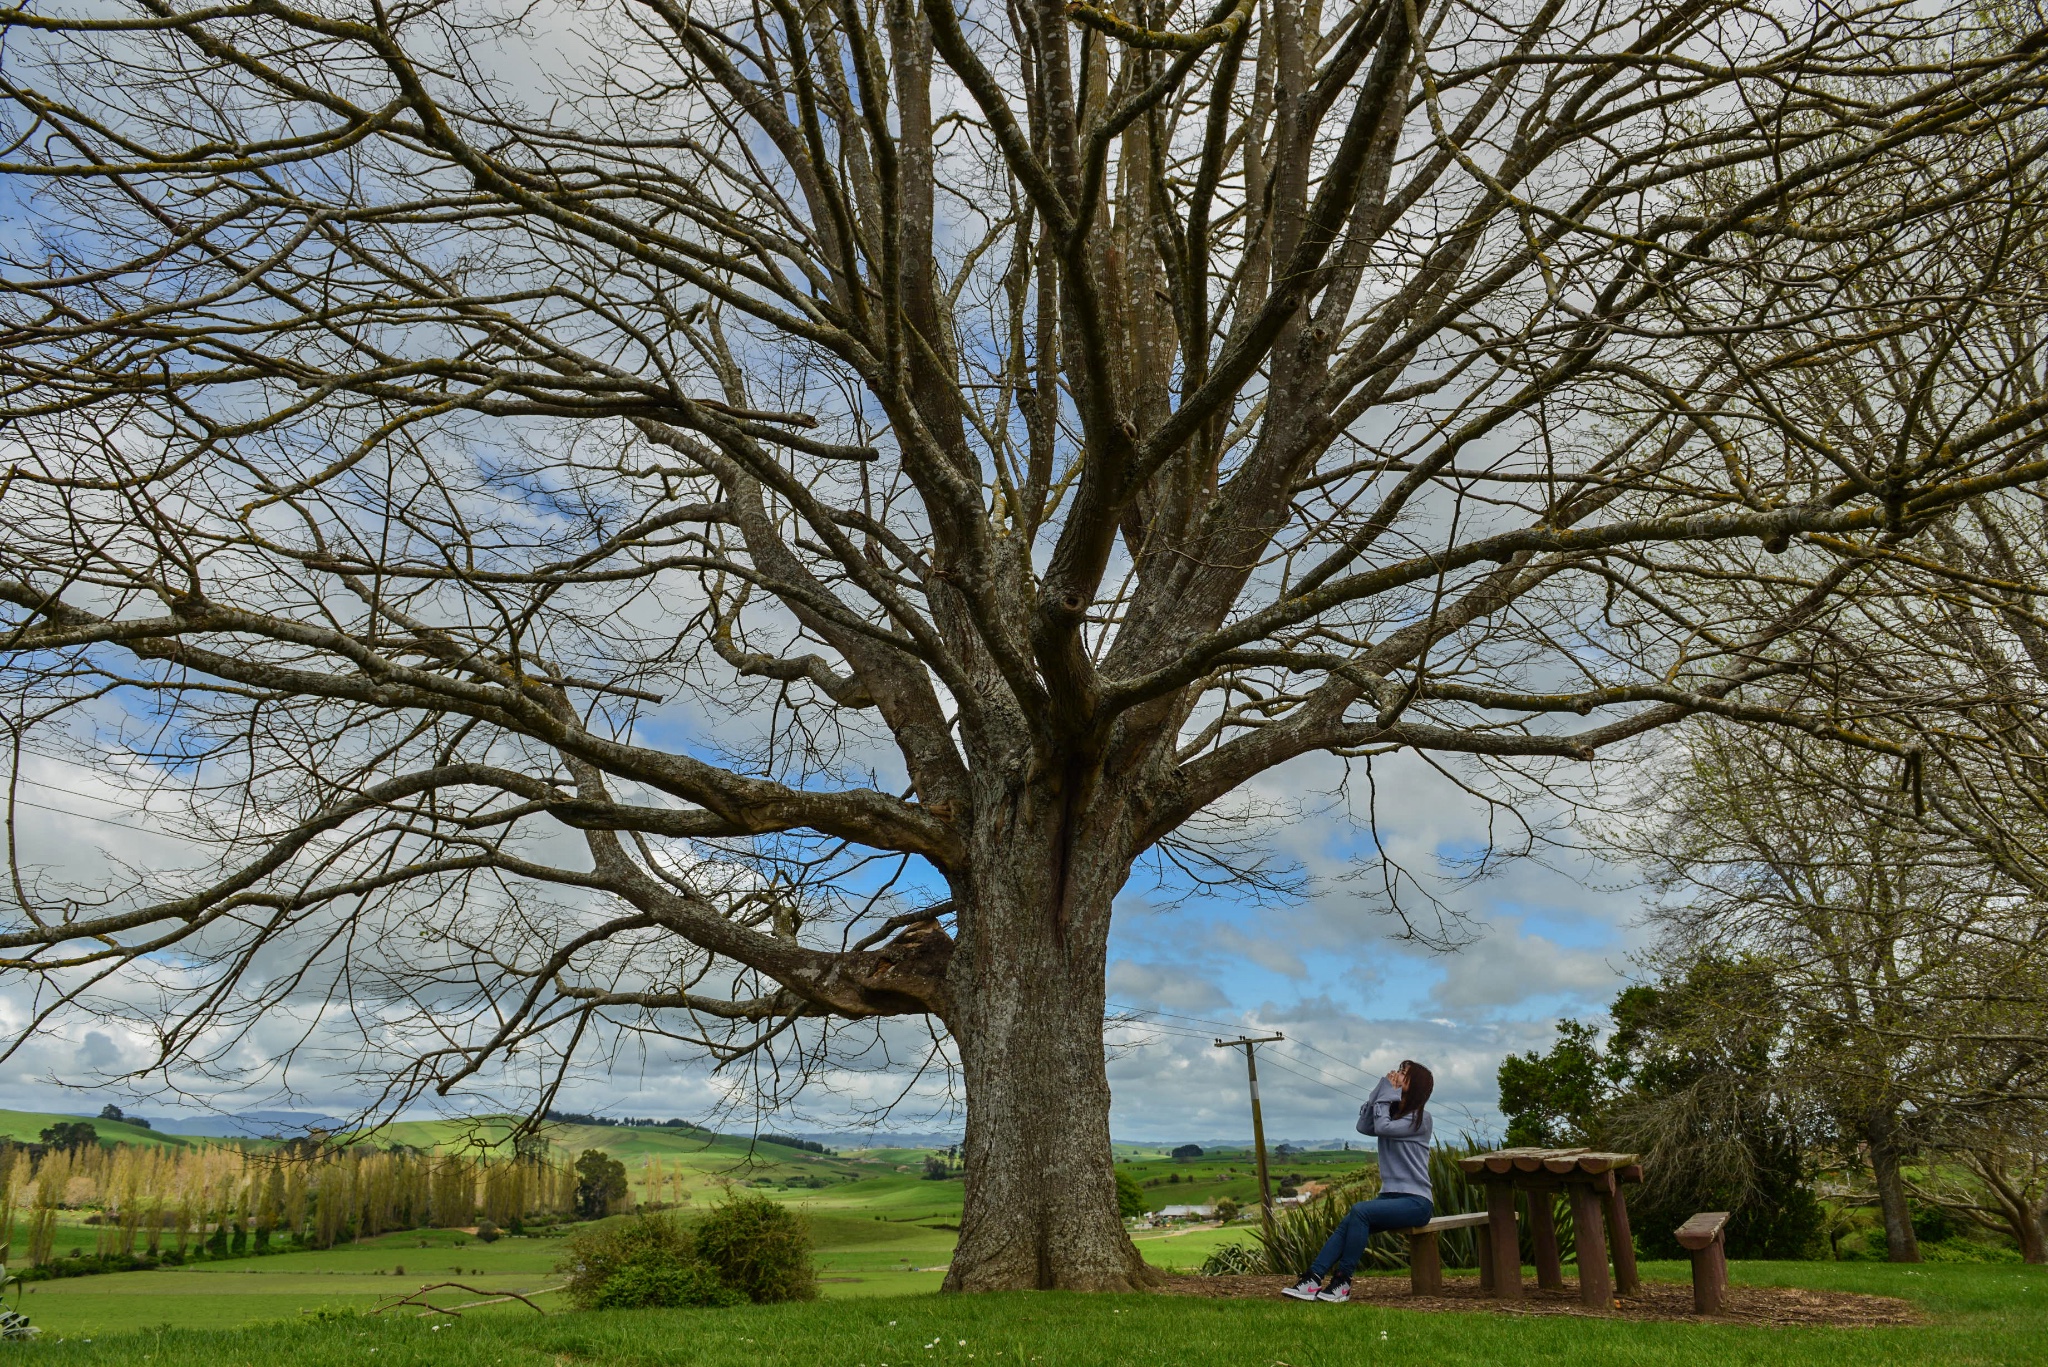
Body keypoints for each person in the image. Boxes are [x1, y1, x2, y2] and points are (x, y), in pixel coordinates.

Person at [1281, 1059, 1434, 1303]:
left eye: (1404, 1073)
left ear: (1416, 1085)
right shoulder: (1394, 1114)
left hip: (1416, 1202)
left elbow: (1382, 1127)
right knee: (1349, 1221)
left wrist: (1387, 1094)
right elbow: (1364, 1125)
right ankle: (1312, 1279)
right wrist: (1381, 1088)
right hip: (1390, 1198)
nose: (1397, 1074)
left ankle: (1343, 1282)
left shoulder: (1420, 1119)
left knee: (1360, 1211)